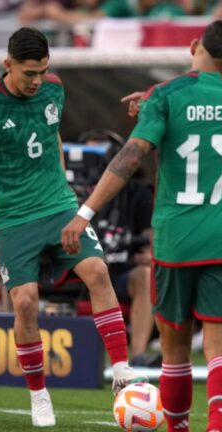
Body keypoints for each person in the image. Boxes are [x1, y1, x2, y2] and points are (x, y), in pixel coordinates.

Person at [61, 21, 222, 432]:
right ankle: (218, 428)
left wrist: (84, 213)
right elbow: (207, 100)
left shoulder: (167, 98)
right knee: (220, 347)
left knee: (174, 351)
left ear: (192, 46)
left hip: (175, 242)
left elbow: (129, 159)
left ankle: (178, 428)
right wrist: (155, 97)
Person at [0, 27, 144, 427]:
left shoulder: (54, 88)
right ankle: (39, 394)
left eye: (42, 71)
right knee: (25, 302)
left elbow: (51, 139)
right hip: (13, 217)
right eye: (28, 73)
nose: (37, 81)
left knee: (98, 272)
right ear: (8, 65)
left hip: (57, 205)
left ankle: (123, 375)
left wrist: (66, 193)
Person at [79, 129, 156, 365]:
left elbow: (150, 238)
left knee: (145, 275)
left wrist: (151, 254)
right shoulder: (67, 191)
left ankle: (138, 355)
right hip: (78, 270)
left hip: (121, 270)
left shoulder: (138, 194)